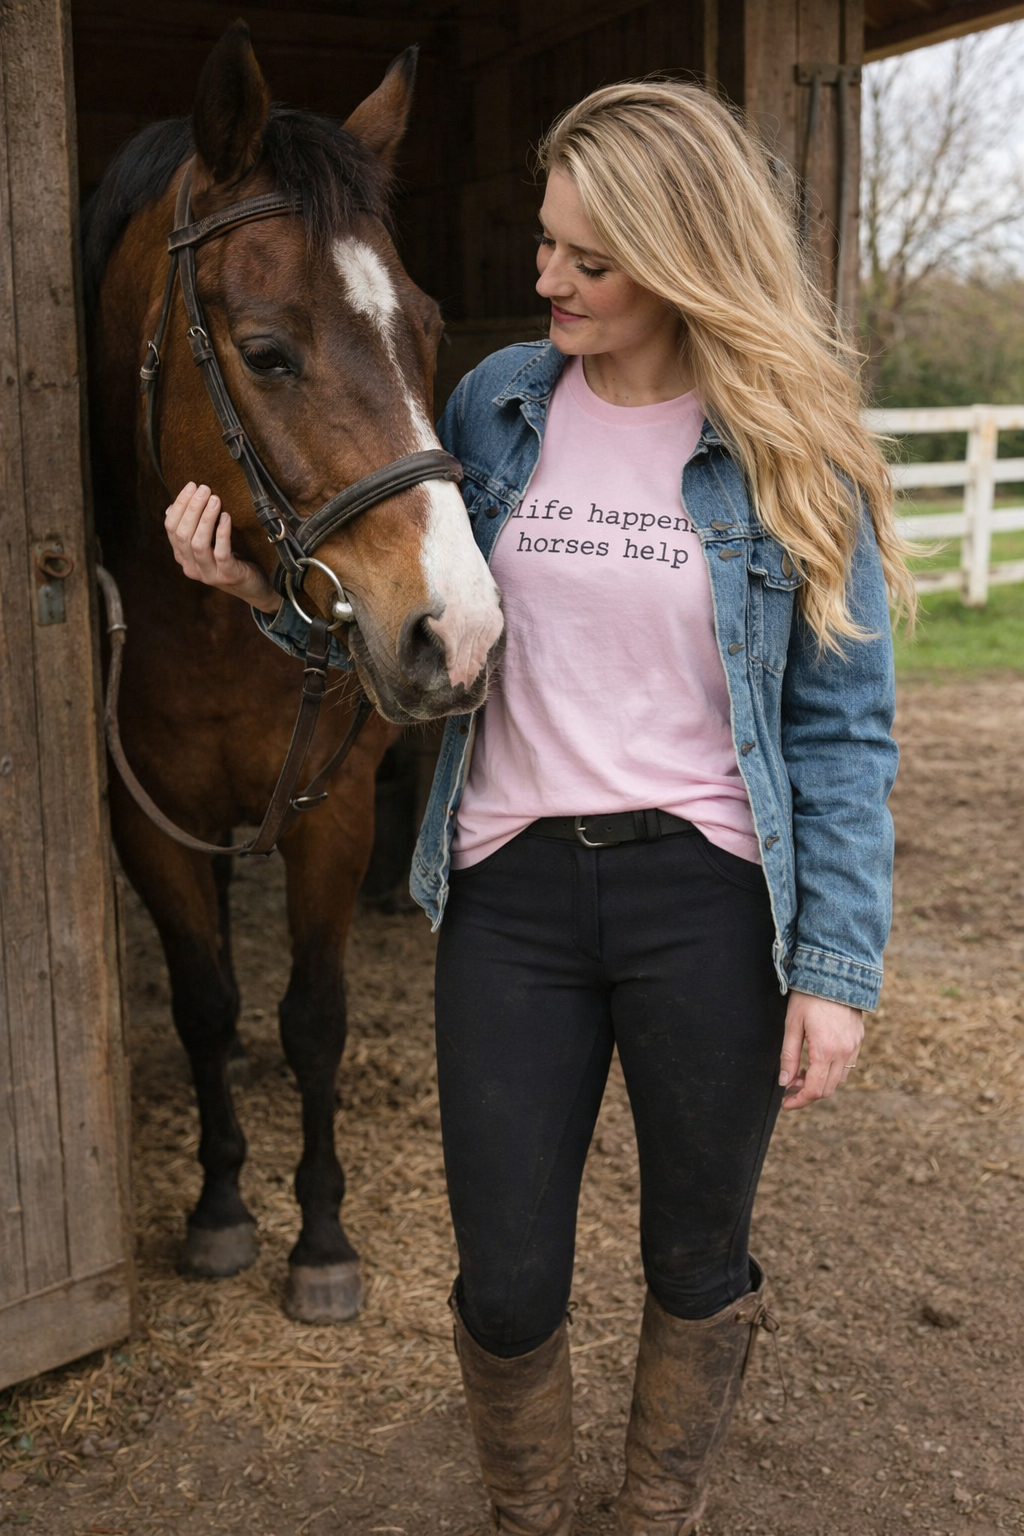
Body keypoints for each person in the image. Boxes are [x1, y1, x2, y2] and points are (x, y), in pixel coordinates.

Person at [165, 80, 912, 1536]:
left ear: (679, 255)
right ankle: (526, 1514)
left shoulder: (788, 451)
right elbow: (422, 647)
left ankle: (653, 1514)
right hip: (510, 894)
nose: (546, 278)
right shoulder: (492, 410)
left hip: (706, 894)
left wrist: (836, 972)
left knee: (697, 1260)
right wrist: (263, 592)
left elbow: (842, 728)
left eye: (587, 257)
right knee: (507, 1280)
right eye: (546, 244)